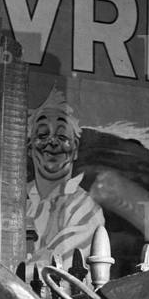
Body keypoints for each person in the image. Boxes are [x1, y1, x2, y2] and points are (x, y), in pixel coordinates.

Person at [26, 87, 105, 270]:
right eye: (43, 135)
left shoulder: (85, 208)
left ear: (75, 148)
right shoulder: (17, 199)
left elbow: (55, 268)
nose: (53, 142)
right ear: (30, 147)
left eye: (62, 136)